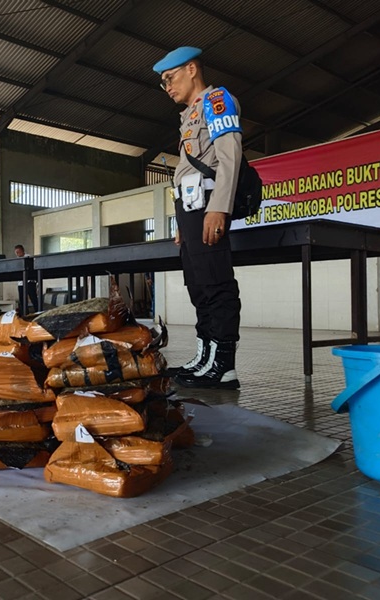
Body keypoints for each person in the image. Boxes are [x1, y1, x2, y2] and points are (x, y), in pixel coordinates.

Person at [153, 46, 242, 389]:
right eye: (163, 83)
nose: (167, 88)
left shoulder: (216, 100)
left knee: (216, 282)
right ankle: (205, 357)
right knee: (198, 284)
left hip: (208, 201)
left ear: (191, 69)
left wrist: (219, 206)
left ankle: (224, 364)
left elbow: (229, 154)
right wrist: (181, 222)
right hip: (190, 207)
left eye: (170, 78)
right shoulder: (190, 114)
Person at [14, 244, 38, 313]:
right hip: (21, 282)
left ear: (22, 251)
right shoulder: (16, 260)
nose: (17, 254)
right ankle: (25, 313)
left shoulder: (28, 257)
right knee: (22, 299)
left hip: (29, 281)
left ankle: (37, 311)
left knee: (33, 297)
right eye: (16, 252)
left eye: (18, 252)